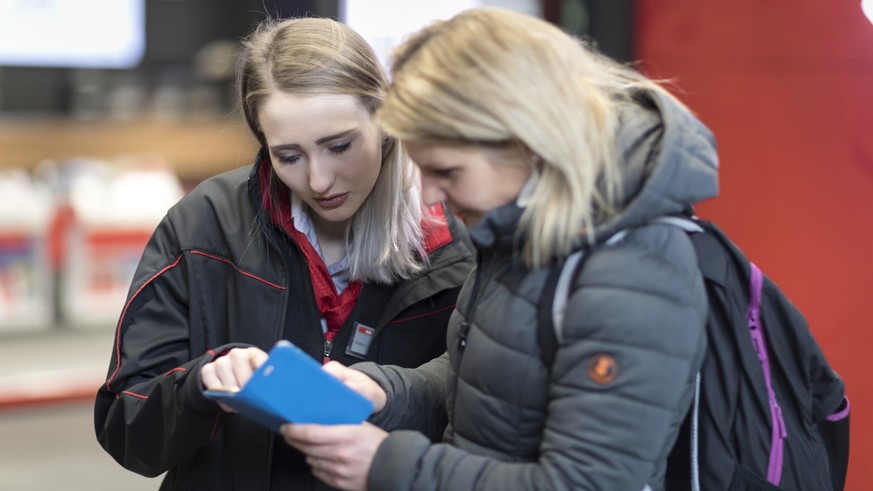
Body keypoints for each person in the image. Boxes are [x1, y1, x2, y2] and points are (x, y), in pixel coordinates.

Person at [281, 7, 719, 491]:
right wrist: (384, 392)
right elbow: (495, 381)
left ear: (526, 142)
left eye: (447, 172)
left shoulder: (633, 272)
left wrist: (391, 465)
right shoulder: (521, 229)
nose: (429, 194)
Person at [94, 16, 474, 490]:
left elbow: (488, 415)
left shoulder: (456, 238)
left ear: (385, 118)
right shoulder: (201, 227)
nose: (318, 180)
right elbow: (125, 430)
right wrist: (199, 385)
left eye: (339, 146)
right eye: (288, 156)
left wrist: (391, 392)